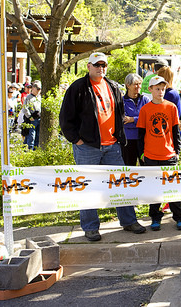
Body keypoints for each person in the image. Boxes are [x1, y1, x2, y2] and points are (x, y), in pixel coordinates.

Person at [59, 52, 146, 242]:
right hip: (87, 147)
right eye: (96, 65)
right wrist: (76, 140)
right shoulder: (78, 87)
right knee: (88, 188)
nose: (100, 68)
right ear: (88, 66)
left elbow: (119, 113)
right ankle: (90, 228)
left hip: (112, 145)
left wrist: (118, 137)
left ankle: (128, 220)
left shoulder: (113, 86)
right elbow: (66, 118)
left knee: (121, 184)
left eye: (103, 65)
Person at [136, 76, 181, 230]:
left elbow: (175, 132)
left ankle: (179, 217)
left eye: (163, 89)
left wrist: (176, 151)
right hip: (151, 155)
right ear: (150, 89)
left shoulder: (171, 107)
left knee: (173, 188)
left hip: (168, 155)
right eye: (157, 89)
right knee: (154, 189)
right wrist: (141, 154)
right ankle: (155, 217)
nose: (160, 92)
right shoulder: (145, 109)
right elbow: (141, 134)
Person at [121, 73, 150, 167]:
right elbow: (124, 122)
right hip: (128, 140)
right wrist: (140, 120)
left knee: (146, 166)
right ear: (128, 85)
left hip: (144, 139)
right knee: (129, 167)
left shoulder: (145, 100)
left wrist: (133, 119)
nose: (138, 86)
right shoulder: (121, 102)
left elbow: (149, 119)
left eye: (139, 84)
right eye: (136, 84)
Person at [21, 81, 41, 150]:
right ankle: (30, 148)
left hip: (39, 118)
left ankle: (35, 148)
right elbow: (25, 108)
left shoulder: (39, 97)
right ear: (33, 88)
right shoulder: (29, 97)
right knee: (31, 135)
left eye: (39, 89)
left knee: (38, 135)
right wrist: (29, 116)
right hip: (32, 118)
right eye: (37, 89)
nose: (38, 91)